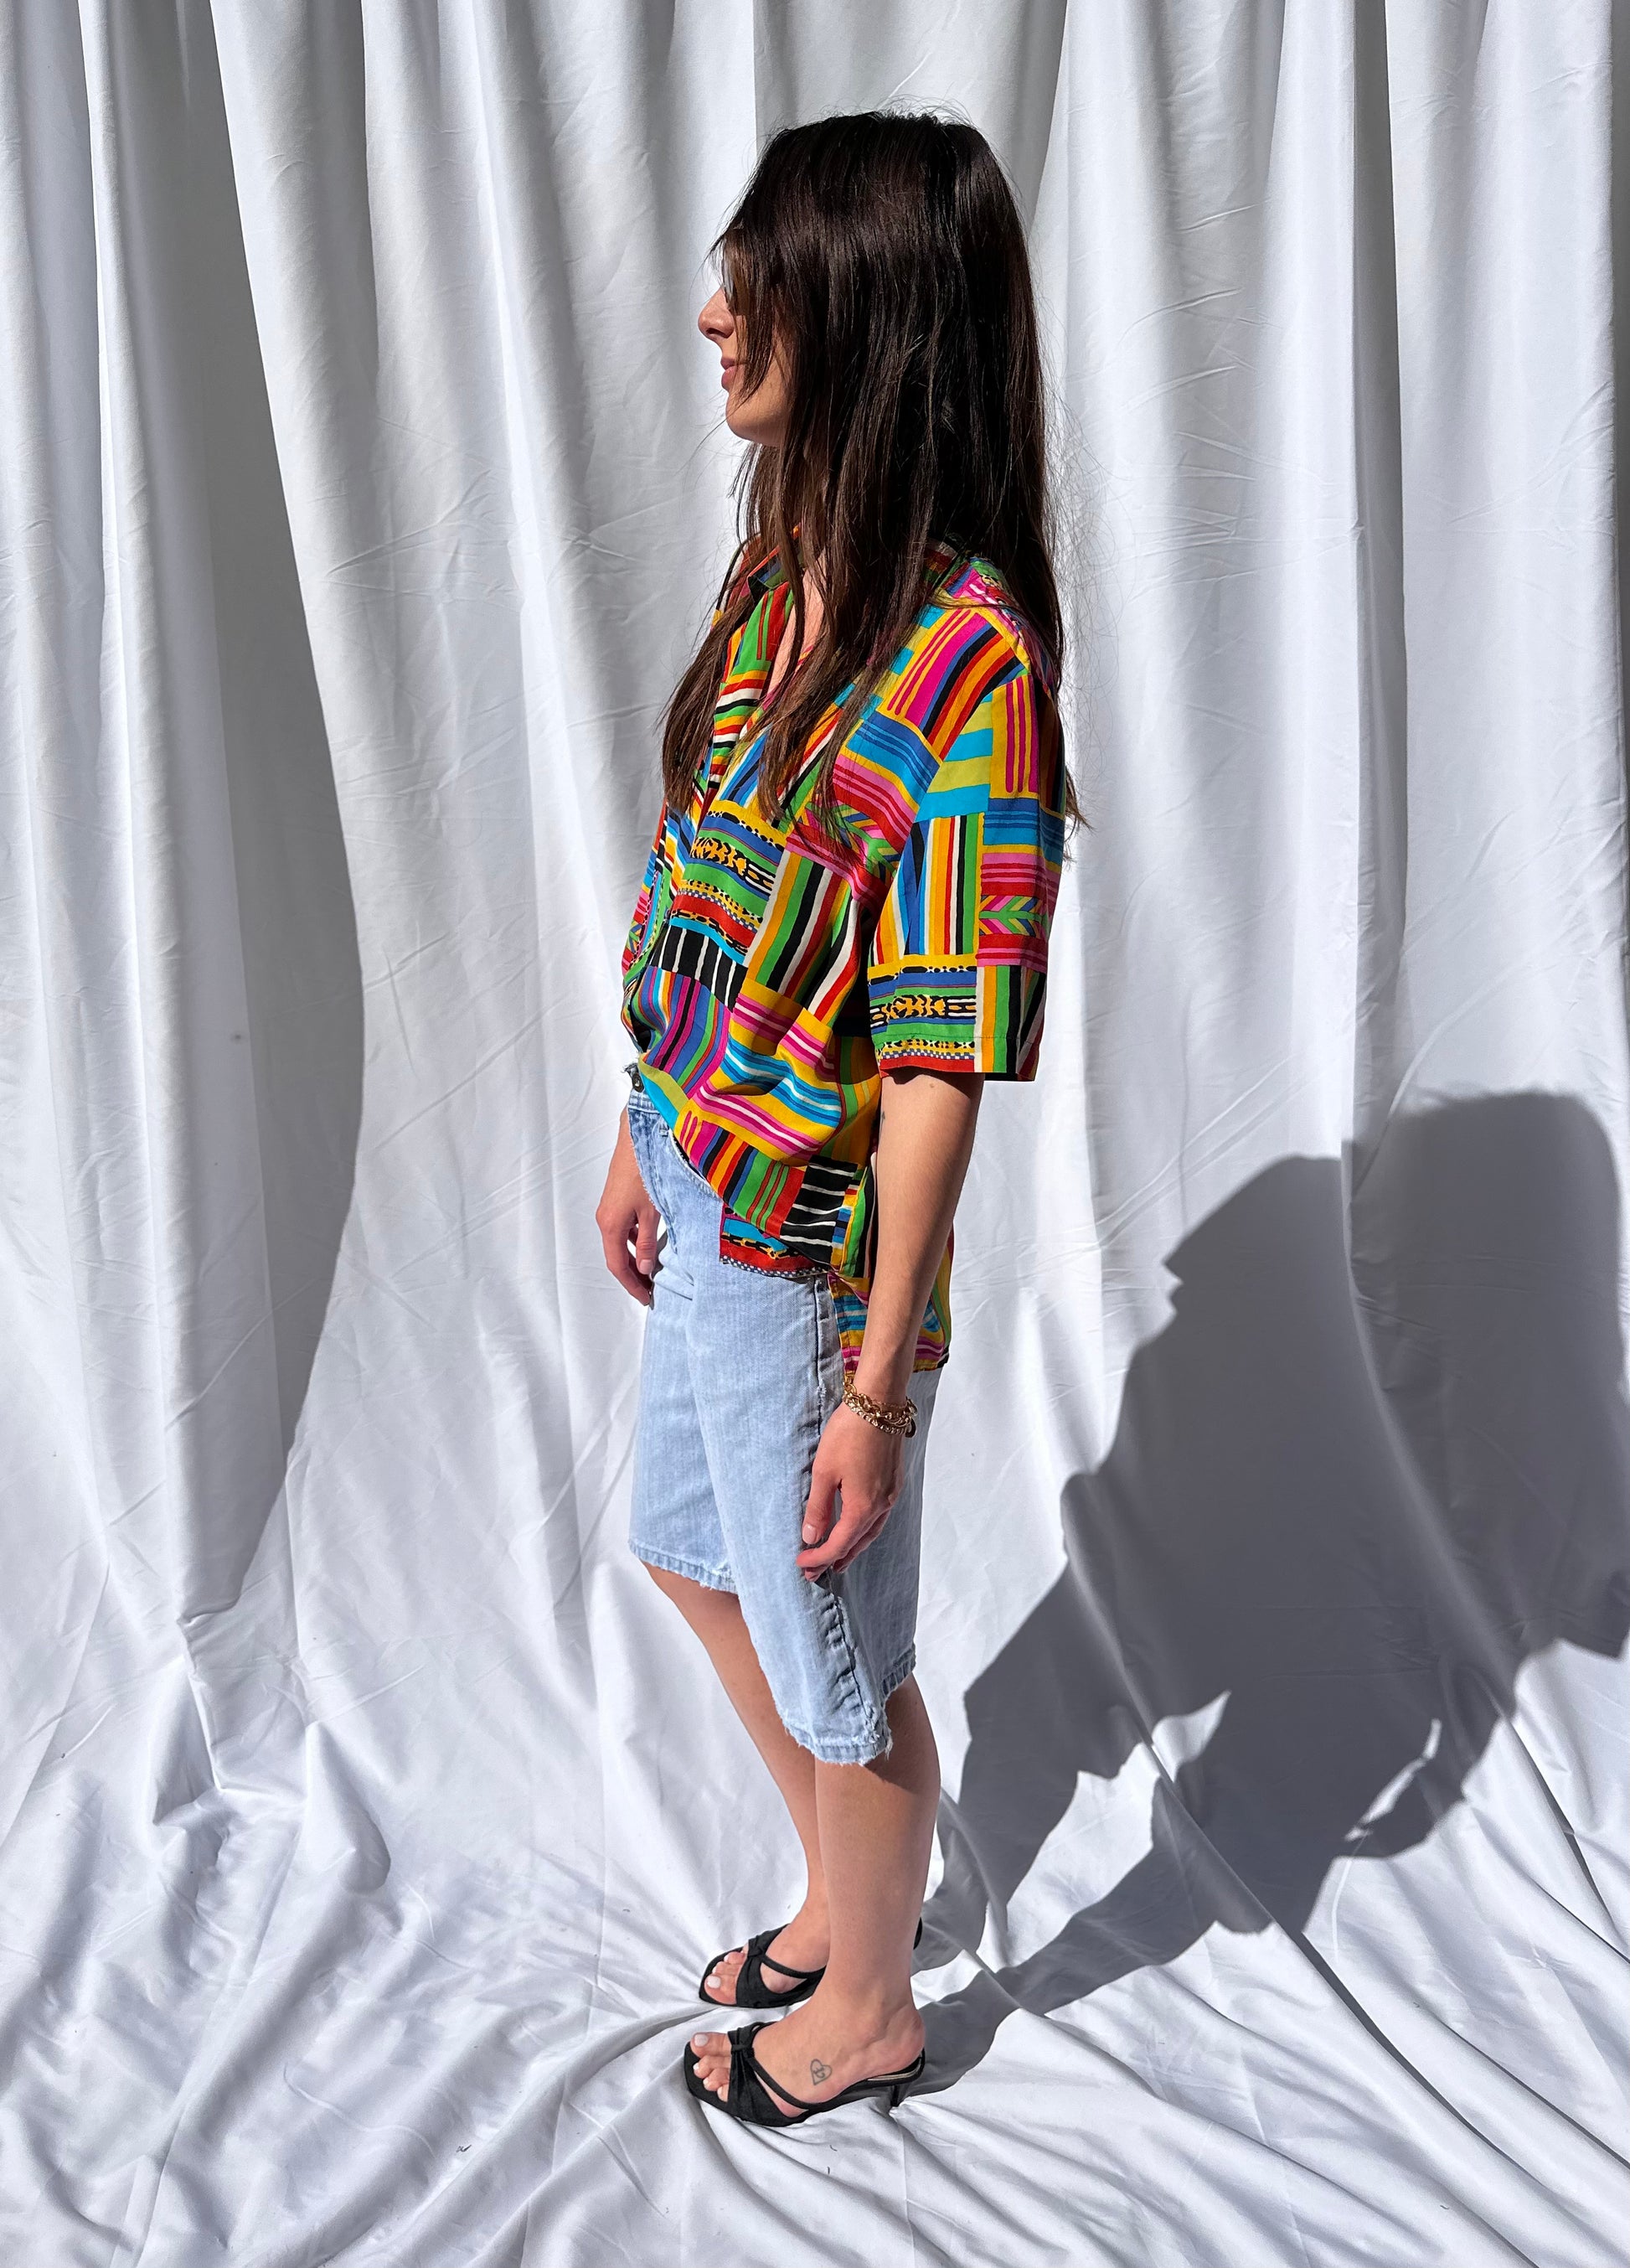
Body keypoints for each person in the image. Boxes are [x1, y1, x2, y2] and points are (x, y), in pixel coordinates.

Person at [595, 110, 1075, 2131]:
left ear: (868, 316)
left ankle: (865, 2006)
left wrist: (874, 1381)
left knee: (827, 1648)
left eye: (758, 276)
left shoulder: (966, 658)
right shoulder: (775, 572)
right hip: (705, 1193)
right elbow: (702, 882)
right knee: (692, 1555)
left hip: (809, 1261)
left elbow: (938, 1055)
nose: (715, 312)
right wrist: (640, 1116)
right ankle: (848, 1900)